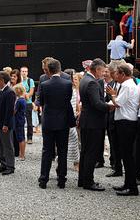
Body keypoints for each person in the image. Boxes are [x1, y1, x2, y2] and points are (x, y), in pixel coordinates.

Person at [37, 59, 74, 189]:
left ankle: (43, 179)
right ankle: (61, 180)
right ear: (59, 69)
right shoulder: (68, 84)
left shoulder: (44, 84)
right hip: (63, 122)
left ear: (49, 70)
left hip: (48, 121)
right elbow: (68, 101)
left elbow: (41, 101)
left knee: (47, 151)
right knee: (62, 151)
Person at [106, 63, 140, 196]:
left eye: (117, 74)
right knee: (126, 155)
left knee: (127, 156)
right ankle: (128, 183)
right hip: (127, 122)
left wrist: (113, 95)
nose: (115, 76)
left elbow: (118, 103)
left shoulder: (127, 85)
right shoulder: (129, 85)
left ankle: (132, 187)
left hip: (126, 123)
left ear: (123, 74)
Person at [78, 59, 109, 191]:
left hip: (86, 121)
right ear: (96, 70)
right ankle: (88, 182)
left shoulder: (84, 79)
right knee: (91, 152)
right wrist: (111, 106)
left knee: (85, 151)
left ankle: (82, 179)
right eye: (102, 71)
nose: (103, 74)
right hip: (93, 123)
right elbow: (97, 104)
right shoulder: (92, 83)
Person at [0, 70, 16, 176]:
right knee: (0, 145)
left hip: (5, 124)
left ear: (2, 80)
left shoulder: (10, 92)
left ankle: (10, 166)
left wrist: (6, 124)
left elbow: (9, 110)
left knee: (7, 145)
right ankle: (3, 164)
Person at [20, 67, 35, 144]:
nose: (24, 73)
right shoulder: (19, 81)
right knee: (20, 120)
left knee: (29, 121)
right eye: (23, 71)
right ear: (20, 72)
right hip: (20, 102)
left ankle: (29, 137)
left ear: (27, 72)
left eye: (25, 71)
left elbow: (31, 92)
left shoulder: (30, 81)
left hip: (28, 103)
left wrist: (26, 95)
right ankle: (21, 137)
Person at [13, 84, 27, 160]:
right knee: (22, 137)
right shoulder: (23, 100)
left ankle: (22, 155)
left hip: (18, 120)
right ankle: (22, 154)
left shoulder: (19, 101)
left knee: (20, 138)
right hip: (21, 119)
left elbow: (14, 111)